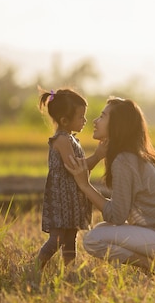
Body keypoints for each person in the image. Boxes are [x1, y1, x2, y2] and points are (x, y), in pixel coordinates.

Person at [66, 96, 155, 271]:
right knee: (101, 230)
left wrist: (84, 185)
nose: (95, 121)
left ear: (117, 125)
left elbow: (116, 216)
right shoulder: (133, 157)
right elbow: (120, 215)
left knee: (94, 239)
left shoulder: (124, 161)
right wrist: (99, 157)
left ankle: (153, 268)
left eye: (102, 116)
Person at [35, 88, 107, 270]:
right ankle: (35, 267)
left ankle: (70, 271)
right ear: (65, 121)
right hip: (62, 199)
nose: (85, 120)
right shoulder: (61, 140)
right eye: (80, 117)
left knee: (70, 237)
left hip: (71, 198)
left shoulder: (71, 139)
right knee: (58, 237)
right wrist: (98, 156)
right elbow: (77, 169)